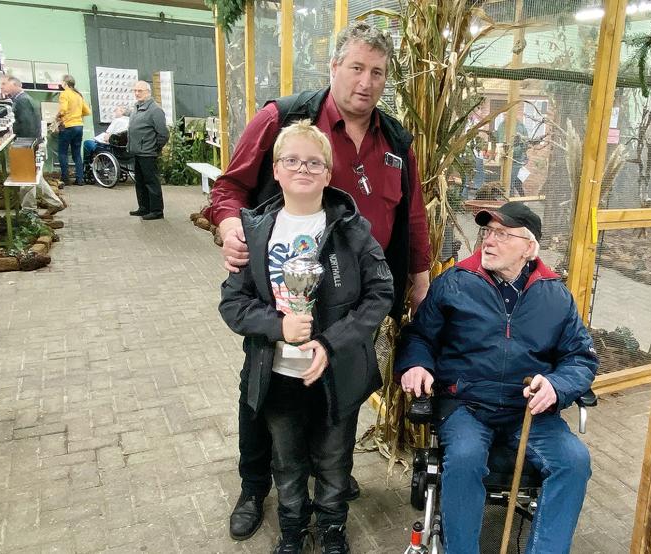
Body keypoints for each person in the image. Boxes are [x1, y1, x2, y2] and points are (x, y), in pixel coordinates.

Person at [205, 20, 432, 541]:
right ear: (334, 67)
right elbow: (229, 187)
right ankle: (253, 485)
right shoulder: (283, 119)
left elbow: (413, 214)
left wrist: (418, 276)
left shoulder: (395, 140)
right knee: (263, 392)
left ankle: (330, 475)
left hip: (354, 299)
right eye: (356, 67)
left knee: (340, 386)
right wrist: (230, 226)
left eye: (378, 72)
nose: (366, 82)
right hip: (282, 296)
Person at [219, 120, 393, 554]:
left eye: (314, 163)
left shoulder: (352, 228)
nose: (303, 168)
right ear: (276, 170)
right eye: (292, 160)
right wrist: (278, 326)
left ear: (328, 174)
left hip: (335, 374)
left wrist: (332, 342)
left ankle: (332, 528)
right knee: (287, 462)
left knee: (334, 461)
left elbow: (380, 293)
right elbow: (233, 303)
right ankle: (293, 530)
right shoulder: (255, 229)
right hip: (278, 374)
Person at [396, 202, 598, 554]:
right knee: (464, 459)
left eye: (503, 235)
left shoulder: (555, 296)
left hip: (529, 411)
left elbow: (580, 358)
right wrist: (416, 364)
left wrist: (557, 386)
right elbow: (419, 337)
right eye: (488, 232)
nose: (489, 241)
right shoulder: (455, 283)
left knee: (574, 461)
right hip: (467, 405)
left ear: (529, 248)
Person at [0, 75, 64, 214]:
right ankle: (54, 202)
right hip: (30, 143)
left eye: (4, 84)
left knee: (25, 176)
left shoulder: (22, 101)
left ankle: (28, 211)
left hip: (26, 144)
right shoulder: (24, 99)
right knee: (34, 176)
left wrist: (22, 146)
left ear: (15, 85)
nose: (1, 86)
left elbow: (27, 126)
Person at [127, 81, 169, 220]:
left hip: (148, 153)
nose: (137, 93)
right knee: (140, 182)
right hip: (137, 152)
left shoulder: (155, 110)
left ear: (148, 92)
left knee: (151, 182)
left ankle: (157, 211)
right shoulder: (137, 107)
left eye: (140, 91)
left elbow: (163, 134)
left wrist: (154, 148)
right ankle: (144, 208)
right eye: (135, 90)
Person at [55, 74, 91, 186]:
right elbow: (87, 111)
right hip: (79, 126)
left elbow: (63, 110)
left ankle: (65, 178)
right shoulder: (78, 95)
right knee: (76, 153)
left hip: (67, 126)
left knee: (63, 152)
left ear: (65, 83)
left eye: (61, 82)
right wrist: (77, 115)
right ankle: (80, 179)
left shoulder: (64, 94)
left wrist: (57, 117)